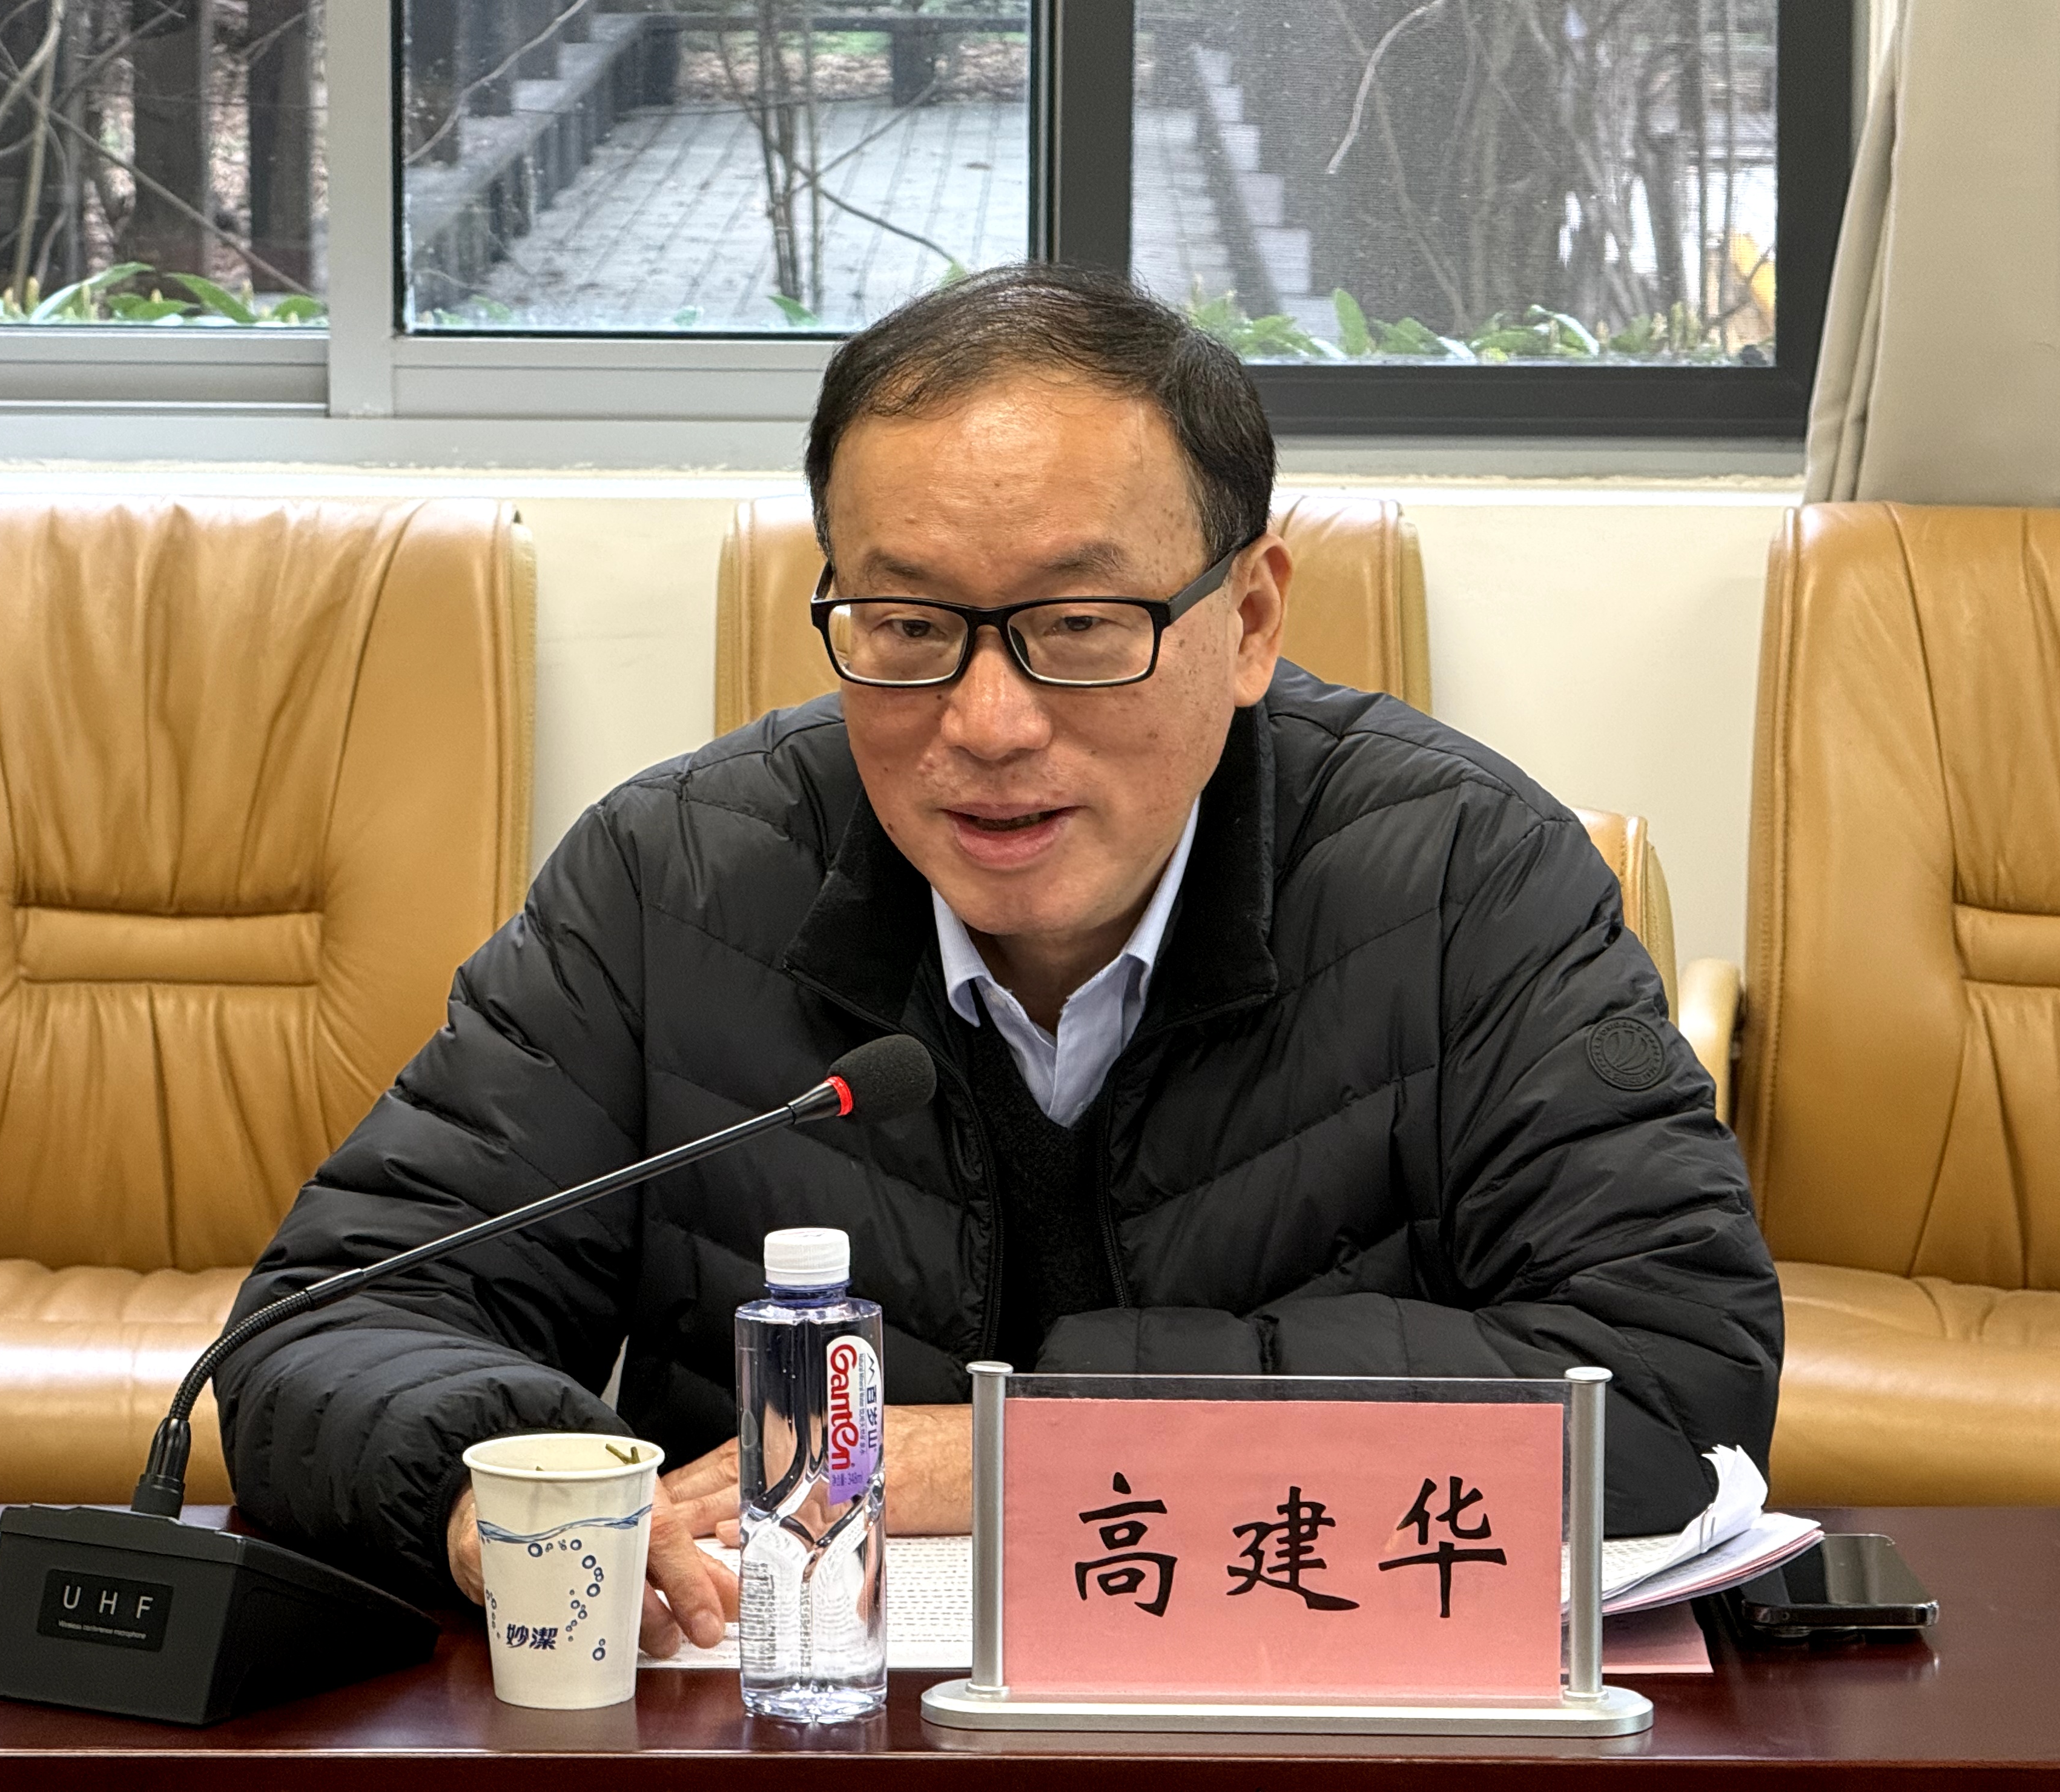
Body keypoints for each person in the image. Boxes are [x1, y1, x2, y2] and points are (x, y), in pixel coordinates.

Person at [217, 264, 1781, 1658]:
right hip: (801, 1734)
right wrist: (483, 1496)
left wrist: (1017, 1448)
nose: (985, 723)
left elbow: (1671, 1389)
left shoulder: (1460, 881)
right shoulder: (671, 881)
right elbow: (327, 1324)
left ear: (1247, 620)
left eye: (1081, 624)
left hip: (1297, 1731)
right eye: (906, 626)